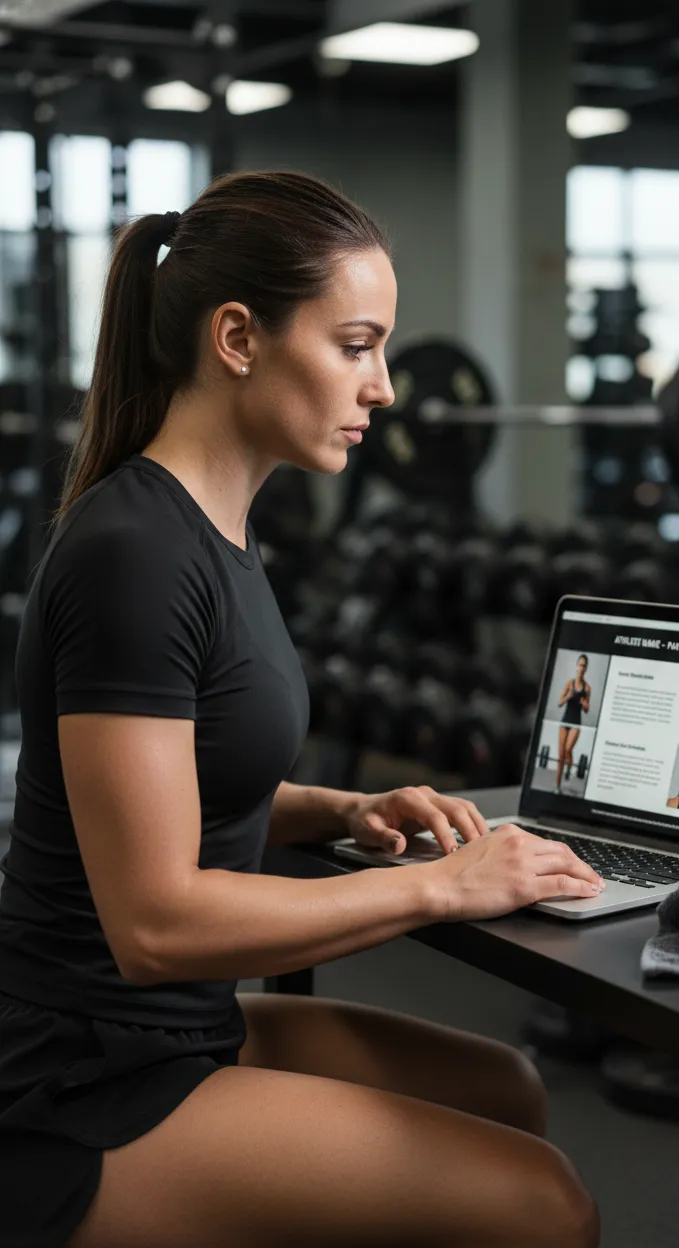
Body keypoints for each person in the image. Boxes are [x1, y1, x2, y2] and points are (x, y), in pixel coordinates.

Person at [0, 171, 602, 1248]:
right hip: (80, 1074)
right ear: (238, 338)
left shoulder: (218, 531)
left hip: (177, 1026)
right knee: (544, 1205)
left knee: (505, 1086)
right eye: (355, 346)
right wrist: (442, 885)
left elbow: (179, 784)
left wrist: (340, 808)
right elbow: (154, 923)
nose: (384, 389)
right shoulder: (136, 553)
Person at [556, 654, 591, 792]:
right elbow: (559, 702)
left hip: (576, 723)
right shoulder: (569, 683)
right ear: (576, 666)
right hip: (565, 720)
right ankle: (557, 787)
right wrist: (567, 696)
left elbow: (587, 709)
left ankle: (569, 767)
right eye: (580, 665)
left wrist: (584, 704)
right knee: (560, 757)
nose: (581, 668)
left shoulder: (587, 688)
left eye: (584, 666)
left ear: (586, 669)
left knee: (568, 749)